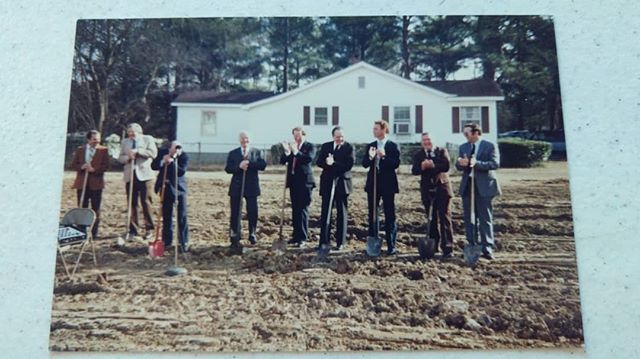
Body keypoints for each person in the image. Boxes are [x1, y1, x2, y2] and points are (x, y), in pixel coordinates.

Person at [455, 123, 501, 260]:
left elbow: (495, 164)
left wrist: (477, 164)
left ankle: (487, 247)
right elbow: (458, 165)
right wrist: (460, 163)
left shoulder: (489, 145)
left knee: (485, 218)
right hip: (468, 186)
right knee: (469, 218)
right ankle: (472, 244)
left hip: (484, 186)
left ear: (476, 133)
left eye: (467, 133)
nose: (465, 136)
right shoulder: (463, 147)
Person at [411, 132, 454, 258]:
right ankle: (433, 246)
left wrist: (433, 165)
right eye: (424, 140)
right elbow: (414, 170)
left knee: (445, 217)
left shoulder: (441, 151)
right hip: (427, 189)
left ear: (433, 140)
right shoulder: (419, 155)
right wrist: (422, 167)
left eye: (428, 139)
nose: (426, 142)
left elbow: (446, 166)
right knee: (431, 219)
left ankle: (448, 248)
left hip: (442, 188)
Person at [224, 131, 267, 254]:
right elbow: (228, 168)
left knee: (252, 211)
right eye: (242, 139)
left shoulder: (256, 152)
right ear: (239, 140)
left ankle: (252, 233)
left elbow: (263, 165)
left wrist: (249, 163)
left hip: (251, 186)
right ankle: (235, 235)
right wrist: (239, 166)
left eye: (247, 139)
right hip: (237, 187)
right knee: (236, 211)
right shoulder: (233, 153)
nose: (245, 141)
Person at [362, 120, 401, 255]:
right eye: (373, 129)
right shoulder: (371, 145)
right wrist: (370, 156)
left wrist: (384, 156)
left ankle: (391, 245)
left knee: (389, 214)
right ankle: (374, 242)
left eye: (376, 129)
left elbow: (395, 164)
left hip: (388, 184)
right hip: (373, 184)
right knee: (373, 213)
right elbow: (364, 164)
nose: (374, 131)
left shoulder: (392, 146)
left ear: (384, 130)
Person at [316, 126, 354, 251]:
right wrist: (326, 162)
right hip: (327, 182)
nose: (340, 139)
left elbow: (348, 165)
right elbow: (319, 162)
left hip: (342, 183)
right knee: (326, 212)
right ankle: (323, 241)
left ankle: (340, 242)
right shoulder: (326, 146)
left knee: (341, 213)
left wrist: (334, 164)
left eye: (342, 137)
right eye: (338, 137)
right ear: (333, 136)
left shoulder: (349, 147)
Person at [118, 123, 158, 239]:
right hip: (130, 175)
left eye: (133, 133)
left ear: (139, 132)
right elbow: (120, 157)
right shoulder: (125, 142)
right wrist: (128, 157)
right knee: (132, 202)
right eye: (129, 132)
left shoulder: (147, 139)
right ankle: (133, 229)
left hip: (145, 175)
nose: (130, 135)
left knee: (146, 202)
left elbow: (153, 153)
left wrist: (138, 151)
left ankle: (149, 229)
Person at [70, 130, 110, 238]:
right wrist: (81, 167)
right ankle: (81, 232)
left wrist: (94, 169)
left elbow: (106, 166)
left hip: (96, 184)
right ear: (88, 139)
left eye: (98, 139)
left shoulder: (103, 150)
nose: (96, 141)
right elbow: (73, 165)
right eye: (94, 139)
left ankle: (94, 233)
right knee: (82, 207)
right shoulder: (80, 150)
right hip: (82, 184)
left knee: (95, 209)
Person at [280, 126, 315, 247]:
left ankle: (303, 237)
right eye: (294, 135)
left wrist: (295, 152)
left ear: (304, 135)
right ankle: (295, 236)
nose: (296, 137)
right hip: (294, 182)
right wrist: (287, 152)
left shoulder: (309, 146)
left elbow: (308, 159)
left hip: (305, 183)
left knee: (303, 209)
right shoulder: (292, 146)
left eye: (299, 135)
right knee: (295, 209)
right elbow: (283, 161)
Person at [151, 141, 189, 253]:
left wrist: (173, 162)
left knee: (181, 216)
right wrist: (163, 161)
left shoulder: (184, 156)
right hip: (165, 188)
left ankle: (183, 242)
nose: (176, 149)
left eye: (179, 148)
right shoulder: (162, 153)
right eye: (174, 147)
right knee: (166, 217)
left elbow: (181, 172)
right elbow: (153, 166)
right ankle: (166, 241)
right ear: (170, 148)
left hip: (179, 190)